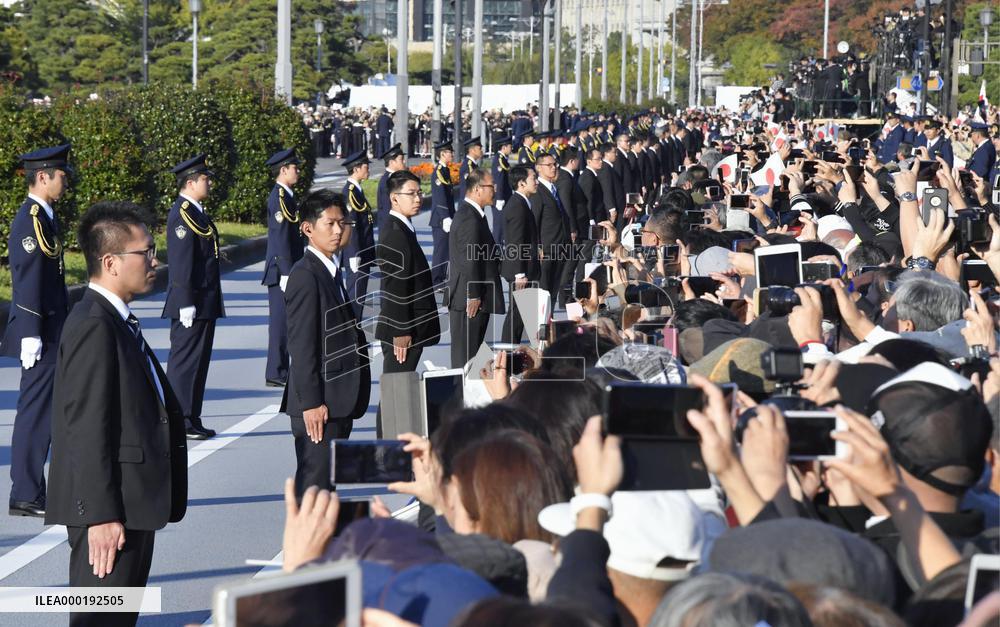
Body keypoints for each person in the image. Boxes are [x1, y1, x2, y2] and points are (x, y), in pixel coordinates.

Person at [47, 202, 187, 627]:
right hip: (112, 512)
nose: (154, 260)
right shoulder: (94, 324)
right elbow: (85, 428)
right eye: (145, 252)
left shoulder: (114, 319)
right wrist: (101, 515)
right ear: (110, 262)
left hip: (130, 504)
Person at [282, 189, 371, 497]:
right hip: (320, 403)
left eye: (341, 223)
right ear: (308, 229)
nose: (337, 230)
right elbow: (302, 346)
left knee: (327, 487)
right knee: (315, 487)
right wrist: (311, 403)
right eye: (329, 224)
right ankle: (306, 546)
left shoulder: (329, 270)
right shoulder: (306, 275)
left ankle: (322, 543)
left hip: (337, 399)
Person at [2, 144, 72, 517]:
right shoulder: (30, 219)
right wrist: (30, 331)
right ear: (43, 177)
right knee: (35, 411)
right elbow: (26, 277)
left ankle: (35, 488)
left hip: (51, 326)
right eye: (60, 176)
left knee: (47, 410)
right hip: (40, 330)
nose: (65, 182)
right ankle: (26, 492)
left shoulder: (44, 216)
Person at [162, 154, 222, 441]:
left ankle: (191, 416)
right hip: (191, 301)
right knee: (185, 362)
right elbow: (181, 260)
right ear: (190, 182)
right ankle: (179, 419)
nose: (208, 182)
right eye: (204, 178)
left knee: (198, 362)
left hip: (204, 299)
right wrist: (185, 300)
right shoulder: (182, 214)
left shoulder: (196, 211)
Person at [375, 170, 441, 378]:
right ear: (394, 198)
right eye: (411, 194)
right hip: (403, 330)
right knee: (396, 390)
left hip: (411, 325)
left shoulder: (403, 227)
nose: (418, 198)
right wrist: (401, 331)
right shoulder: (395, 233)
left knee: (399, 391)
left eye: (420, 193)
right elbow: (396, 286)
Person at [448, 168, 505, 368]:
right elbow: (469, 259)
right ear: (478, 189)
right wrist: (473, 294)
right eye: (491, 186)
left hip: (476, 297)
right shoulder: (468, 217)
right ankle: (461, 398)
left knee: (474, 357)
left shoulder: (475, 214)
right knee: (466, 360)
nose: (495, 190)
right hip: (469, 301)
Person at [261, 148, 303, 388]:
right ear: (284, 170)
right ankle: (276, 371)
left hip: (287, 267)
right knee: (280, 322)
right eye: (294, 168)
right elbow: (280, 238)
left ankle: (280, 368)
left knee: (286, 321)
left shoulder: (286, 196)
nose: (297, 171)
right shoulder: (278, 198)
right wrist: (287, 271)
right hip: (281, 270)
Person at [500, 165, 541, 344]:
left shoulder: (522, 202)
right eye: (534, 178)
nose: (537, 181)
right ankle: (507, 354)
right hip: (520, 272)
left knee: (520, 316)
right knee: (516, 316)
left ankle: (511, 352)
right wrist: (520, 274)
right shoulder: (517, 205)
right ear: (522, 183)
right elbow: (515, 242)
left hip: (525, 267)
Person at [532, 153, 574, 310]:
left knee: (553, 292)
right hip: (547, 250)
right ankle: (539, 330)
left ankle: (549, 326)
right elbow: (534, 222)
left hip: (560, 248)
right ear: (538, 168)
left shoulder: (553, 188)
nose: (553, 168)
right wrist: (538, 247)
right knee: (543, 293)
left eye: (555, 164)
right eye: (549, 165)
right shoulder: (538, 191)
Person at [341, 150, 377, 320]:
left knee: (360, 296)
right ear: (356, 169)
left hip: (363, 251)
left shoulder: (357, 190)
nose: (368, 169)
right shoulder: (350, 192)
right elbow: (351, 225)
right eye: (365, 166)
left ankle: (356, 334)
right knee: (355, 297)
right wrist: (354, 254)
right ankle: (351, 336)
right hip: (356, 253)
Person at [429, 140, 455, 288]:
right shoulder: (439, 172)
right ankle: (436, 281)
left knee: (445, 250)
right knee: (440, 251)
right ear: (443, 154)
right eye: (450, 152)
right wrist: (445, 217)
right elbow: (440, 197)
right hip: (440, 219)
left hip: (446, 217)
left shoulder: (445, 170)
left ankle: (441, 278)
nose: (452, 154)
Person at [376, 143, 406, 233]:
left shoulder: (395, 177)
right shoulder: (387, 181)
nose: (404, 162)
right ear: (392, 162)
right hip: (392, 228)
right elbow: (387, 209)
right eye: (401, 160)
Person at [491, 135, 514, 245]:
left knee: (504, 226)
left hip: (505, 197)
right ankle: (497, 253)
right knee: (499, 228)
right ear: (504, 147)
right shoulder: (499, 160)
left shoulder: (503, 159)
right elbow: (499, 180)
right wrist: (499, 198)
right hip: (501, 199)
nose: (511, 148)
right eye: (510, 146)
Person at [457, 136, 483, 201]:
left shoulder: (473, 165)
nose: (481, 151)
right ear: (472, 150)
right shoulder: (468, 166)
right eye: (479, 149)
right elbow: (467, 188)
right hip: (469, 205)